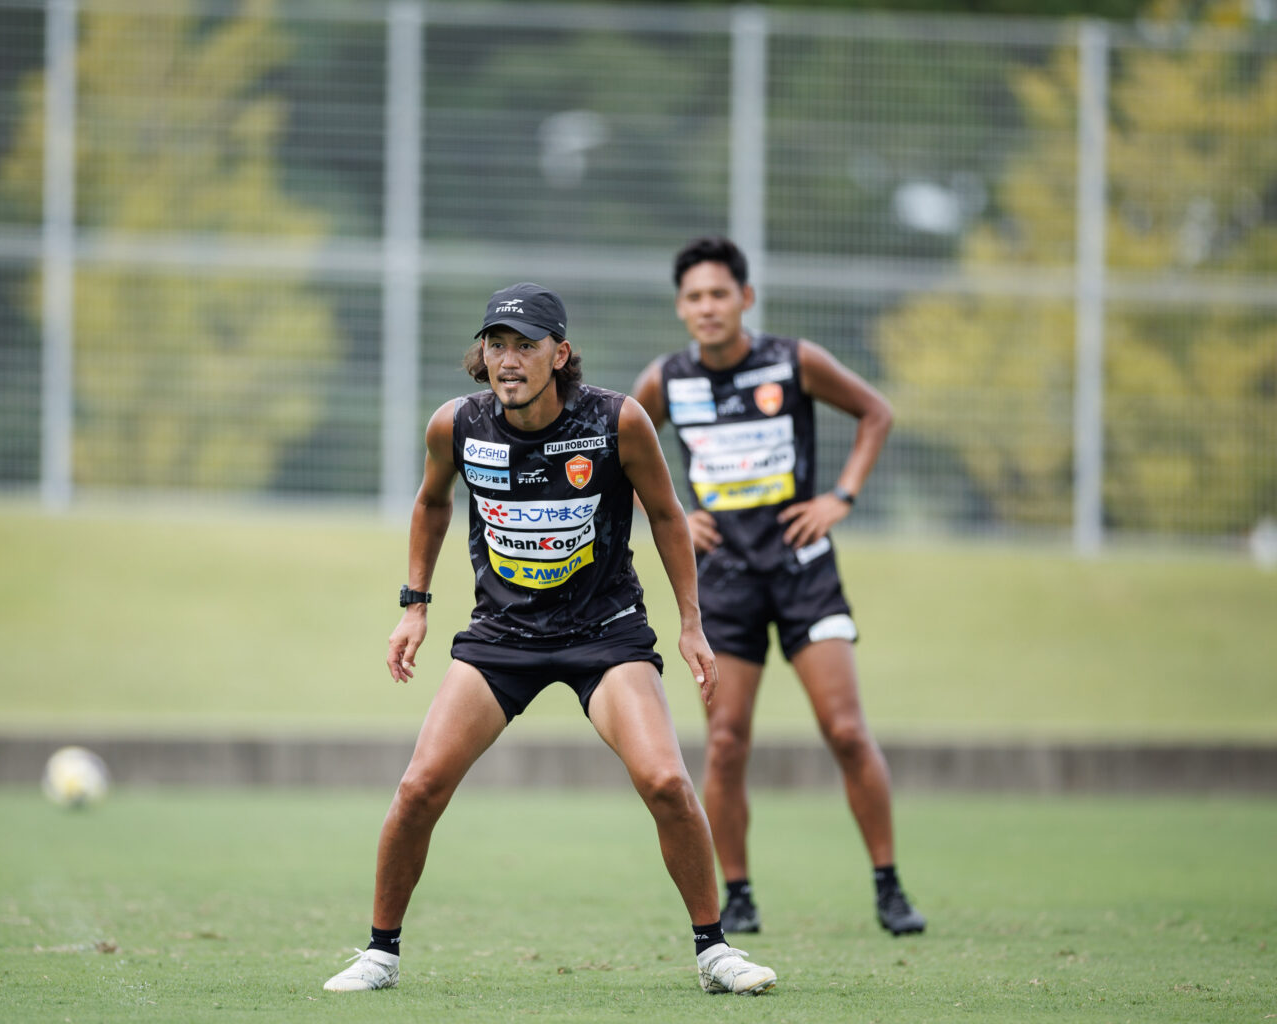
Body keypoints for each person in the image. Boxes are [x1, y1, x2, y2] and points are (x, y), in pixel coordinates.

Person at [323, 282, 777, 995]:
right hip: (502, 635)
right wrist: (414, 605)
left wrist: (691, 624)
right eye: (496, 344)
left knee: (664, 781)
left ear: (558, 355)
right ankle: (380, 954)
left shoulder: (618, 422)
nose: (507, 359)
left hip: (606, 633)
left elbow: (665, 513)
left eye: (525, 346)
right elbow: (431, 502)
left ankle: (715, 952)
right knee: (419, 787)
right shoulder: (456, 425)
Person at [632, 237, 926, 937]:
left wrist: (840, 498)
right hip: (725, 584)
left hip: (804, 573)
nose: (707, 307)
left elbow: (875, 412)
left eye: (719, 294)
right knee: (727, 742)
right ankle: (738, 895)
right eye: (695, 297)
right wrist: (668, 517)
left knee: (847, 731)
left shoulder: (793, 362)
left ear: (745, 299)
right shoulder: (666, 381)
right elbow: (620, 452)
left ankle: (888, 885)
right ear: (681, 307)